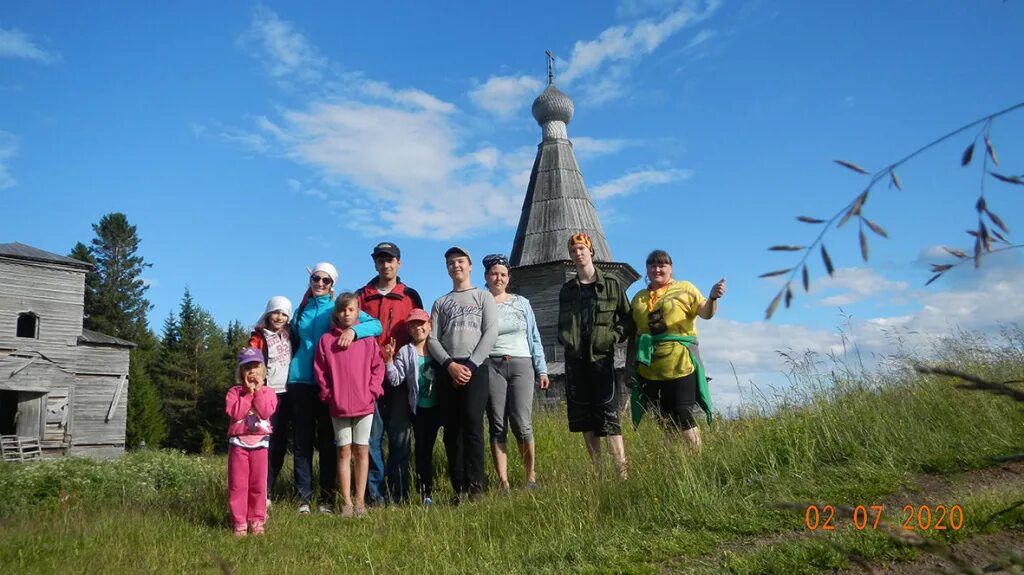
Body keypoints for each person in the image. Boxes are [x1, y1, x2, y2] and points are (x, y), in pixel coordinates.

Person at [288, 262, 382, 514]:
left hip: (336, 387)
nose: (320, 283)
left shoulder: (340, 307)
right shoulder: (302, 309)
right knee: (302, 443)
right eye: (316, 279)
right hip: (302, 380)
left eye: (325, 280)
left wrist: (353, 331)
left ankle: (327, 498)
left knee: (331, 444)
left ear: (333, 284)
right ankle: (303, 498)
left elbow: (376, 326)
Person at [628, 249, 725, 449]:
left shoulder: (685, 288)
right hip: (650, 366)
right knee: (664, 419)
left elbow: (705, 313)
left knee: (683, 412)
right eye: (652, 265)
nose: (657, 269)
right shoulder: (639, 297)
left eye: (662, 265)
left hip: (680, 362)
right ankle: (673, 464)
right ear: (647, 269)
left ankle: (697, 459)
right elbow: (633, 333)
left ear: (670, 268)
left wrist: (713, 298)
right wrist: (630, 366)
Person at [557, 233, 635, 479]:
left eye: (582, 249)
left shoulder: (611, 284)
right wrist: (567, 339)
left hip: (602, 358)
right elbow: (561, 322)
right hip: (576, 360)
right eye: (573, 251)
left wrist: (611, 337)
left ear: (591, 252)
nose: (578, 253)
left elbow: (627, 318)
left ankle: (622, 472)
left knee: (608, 413)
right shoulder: (568, 290)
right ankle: (598, 473)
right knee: (584, 417)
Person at [427, 246, 498, 503]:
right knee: (452, 429)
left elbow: (490, 332)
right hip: (448, 368)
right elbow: (432, 339)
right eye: (450, 263)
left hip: (475, 367)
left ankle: (476, 485)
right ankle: (459, 487)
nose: (455, 266)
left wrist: (470, 365)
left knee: (473, 424)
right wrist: (449, 365)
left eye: (460, 262)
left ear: (469, 267)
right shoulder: (441, 302)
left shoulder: (482, 297)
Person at [356, 242, 424, 506]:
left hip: (400, 377)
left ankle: (399, 494)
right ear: (375, 263)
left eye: (390, 260)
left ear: (399, 263)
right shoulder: (362, 295)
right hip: (368, 377)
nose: (385, 264)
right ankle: (375, 496)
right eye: (380, 260)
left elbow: (422, 330)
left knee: (399, 437)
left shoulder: (410, 295)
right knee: (372, 438)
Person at [480, 254, 549, 491]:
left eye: (502, 274)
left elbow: (534, 337)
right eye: (493, 274)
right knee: (497, 424)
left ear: (508, 278)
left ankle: (531, 477)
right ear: (486, 277)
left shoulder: (522, 302)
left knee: (522, 423)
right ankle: (504, 482)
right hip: (492, 365)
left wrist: (542, 369)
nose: (498, 278)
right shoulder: (481, 302)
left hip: (521, 363)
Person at [314, 293, 385, 518]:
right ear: (336, 313)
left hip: (365, 405)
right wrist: (328, 394)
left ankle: (360, 502)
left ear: (358, 312)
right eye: (343, 310)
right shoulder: (326, 341)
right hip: (339, 405)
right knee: (344, 451)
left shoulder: (367, 339)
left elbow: (378, 367)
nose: (346, 314)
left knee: (362, 451)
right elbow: (321, 371)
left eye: (351, 310)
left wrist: (372, 392)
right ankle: (345, 502)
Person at [382, 308, 441, 505]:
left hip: (439, 406)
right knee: (422, 450)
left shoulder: (437, 348)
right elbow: (396, 379)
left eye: (421, 323)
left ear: (429, 325)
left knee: (442, 445)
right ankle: (426, 493)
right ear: (408, 329)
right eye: (413, 325)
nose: (418, 328)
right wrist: (389, 360)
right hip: (419, 409)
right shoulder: (405, 352)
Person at [225, 348, 279, 536]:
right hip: (239, 444)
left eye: (256, 367)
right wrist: (247, 393)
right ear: (241, 372)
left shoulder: (269, 393)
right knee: (238, 485)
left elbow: (265, 412)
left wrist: (258, 391)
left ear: (263, 370)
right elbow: (236, 413)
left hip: (260, 444)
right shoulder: (234, 392)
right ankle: (239, 522)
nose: (252, 372)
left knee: (258, 484)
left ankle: (256, 520)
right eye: (247, 368)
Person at [247, 296, 293, 506]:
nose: (279, 317)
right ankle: (259, 491)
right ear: (267, 313)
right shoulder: (258, 338)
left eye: (284, 314)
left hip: (287, 395)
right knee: (264, 443)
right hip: (266, 395)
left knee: (280, 446)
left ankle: (269, 490)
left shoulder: (290, 336)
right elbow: (250, 365)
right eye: (276, 312)